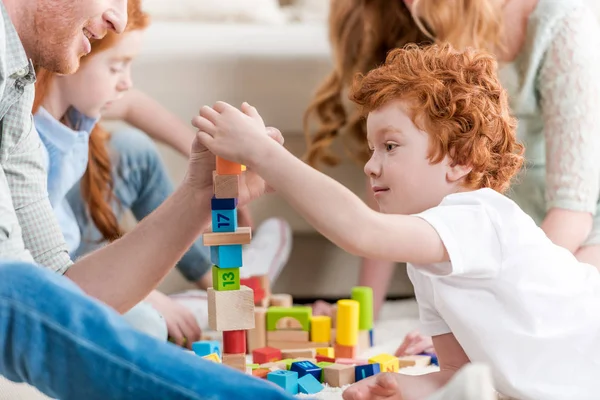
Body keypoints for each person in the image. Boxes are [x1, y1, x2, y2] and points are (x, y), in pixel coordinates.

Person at [193, 43, 600, 400]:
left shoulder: (478, 217)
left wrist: (264, 154)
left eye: (390, 146)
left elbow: (361, 231)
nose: (371, 166)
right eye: (372, 149)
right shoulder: (427, 258)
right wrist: (398, 387)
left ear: (459, 159)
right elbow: (456, 374)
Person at [0, 0, 292, 397]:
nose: (119, 18)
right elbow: (19, 301)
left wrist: (200, 194)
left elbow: (63, 293)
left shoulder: (16, 83)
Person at [305, 0, 600, 356]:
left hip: (573, 233)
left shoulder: (562, 23)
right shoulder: (424, 22)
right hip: (477, 233)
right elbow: (389, 184)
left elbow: (574, 208)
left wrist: (478, 323)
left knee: (565, 315)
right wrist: (364, 313)